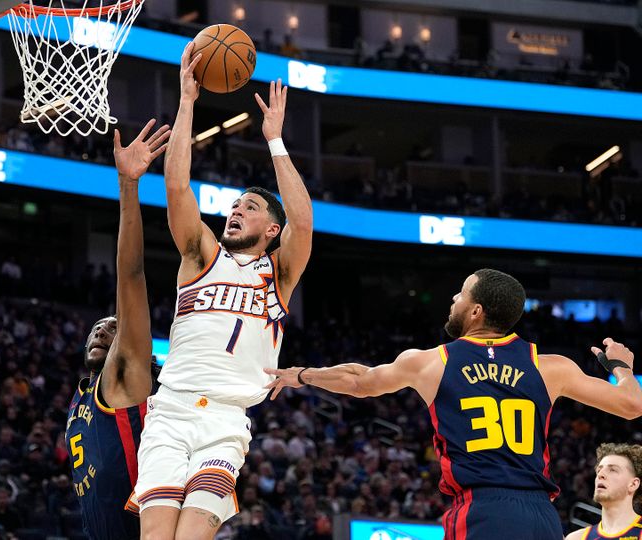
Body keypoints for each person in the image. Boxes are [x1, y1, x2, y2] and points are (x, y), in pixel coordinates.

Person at [265, 269, 642, 539]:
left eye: (461, 294)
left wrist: (302, 375)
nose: (453, 299)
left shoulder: (432, 361)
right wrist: (622, 366)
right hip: (542, 515)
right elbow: (631, 405)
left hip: (482, 510)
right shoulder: (550, 366)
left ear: (476, 311)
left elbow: (359, 382)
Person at [136, 42, 313, 540]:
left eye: (250, 207)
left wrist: (275, 141)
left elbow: (302, 219)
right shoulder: (201, 256)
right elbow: (176, 190)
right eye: (234, 205)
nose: (236, 210)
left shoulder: (278, 274)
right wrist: (187, 101)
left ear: (271, 230)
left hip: (225, 421)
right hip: (170, 410)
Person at [65, 118, 170, 540]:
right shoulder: (81, 398)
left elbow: (131, 277)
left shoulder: (126, 376)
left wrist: (129, 187)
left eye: (111, 328)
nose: (101, 332)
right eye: (97, 329)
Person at [566, 443, 642, 540]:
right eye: (599, 470)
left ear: (633, 484)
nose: (600, 475)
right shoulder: (576, 538)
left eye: (613, 470)